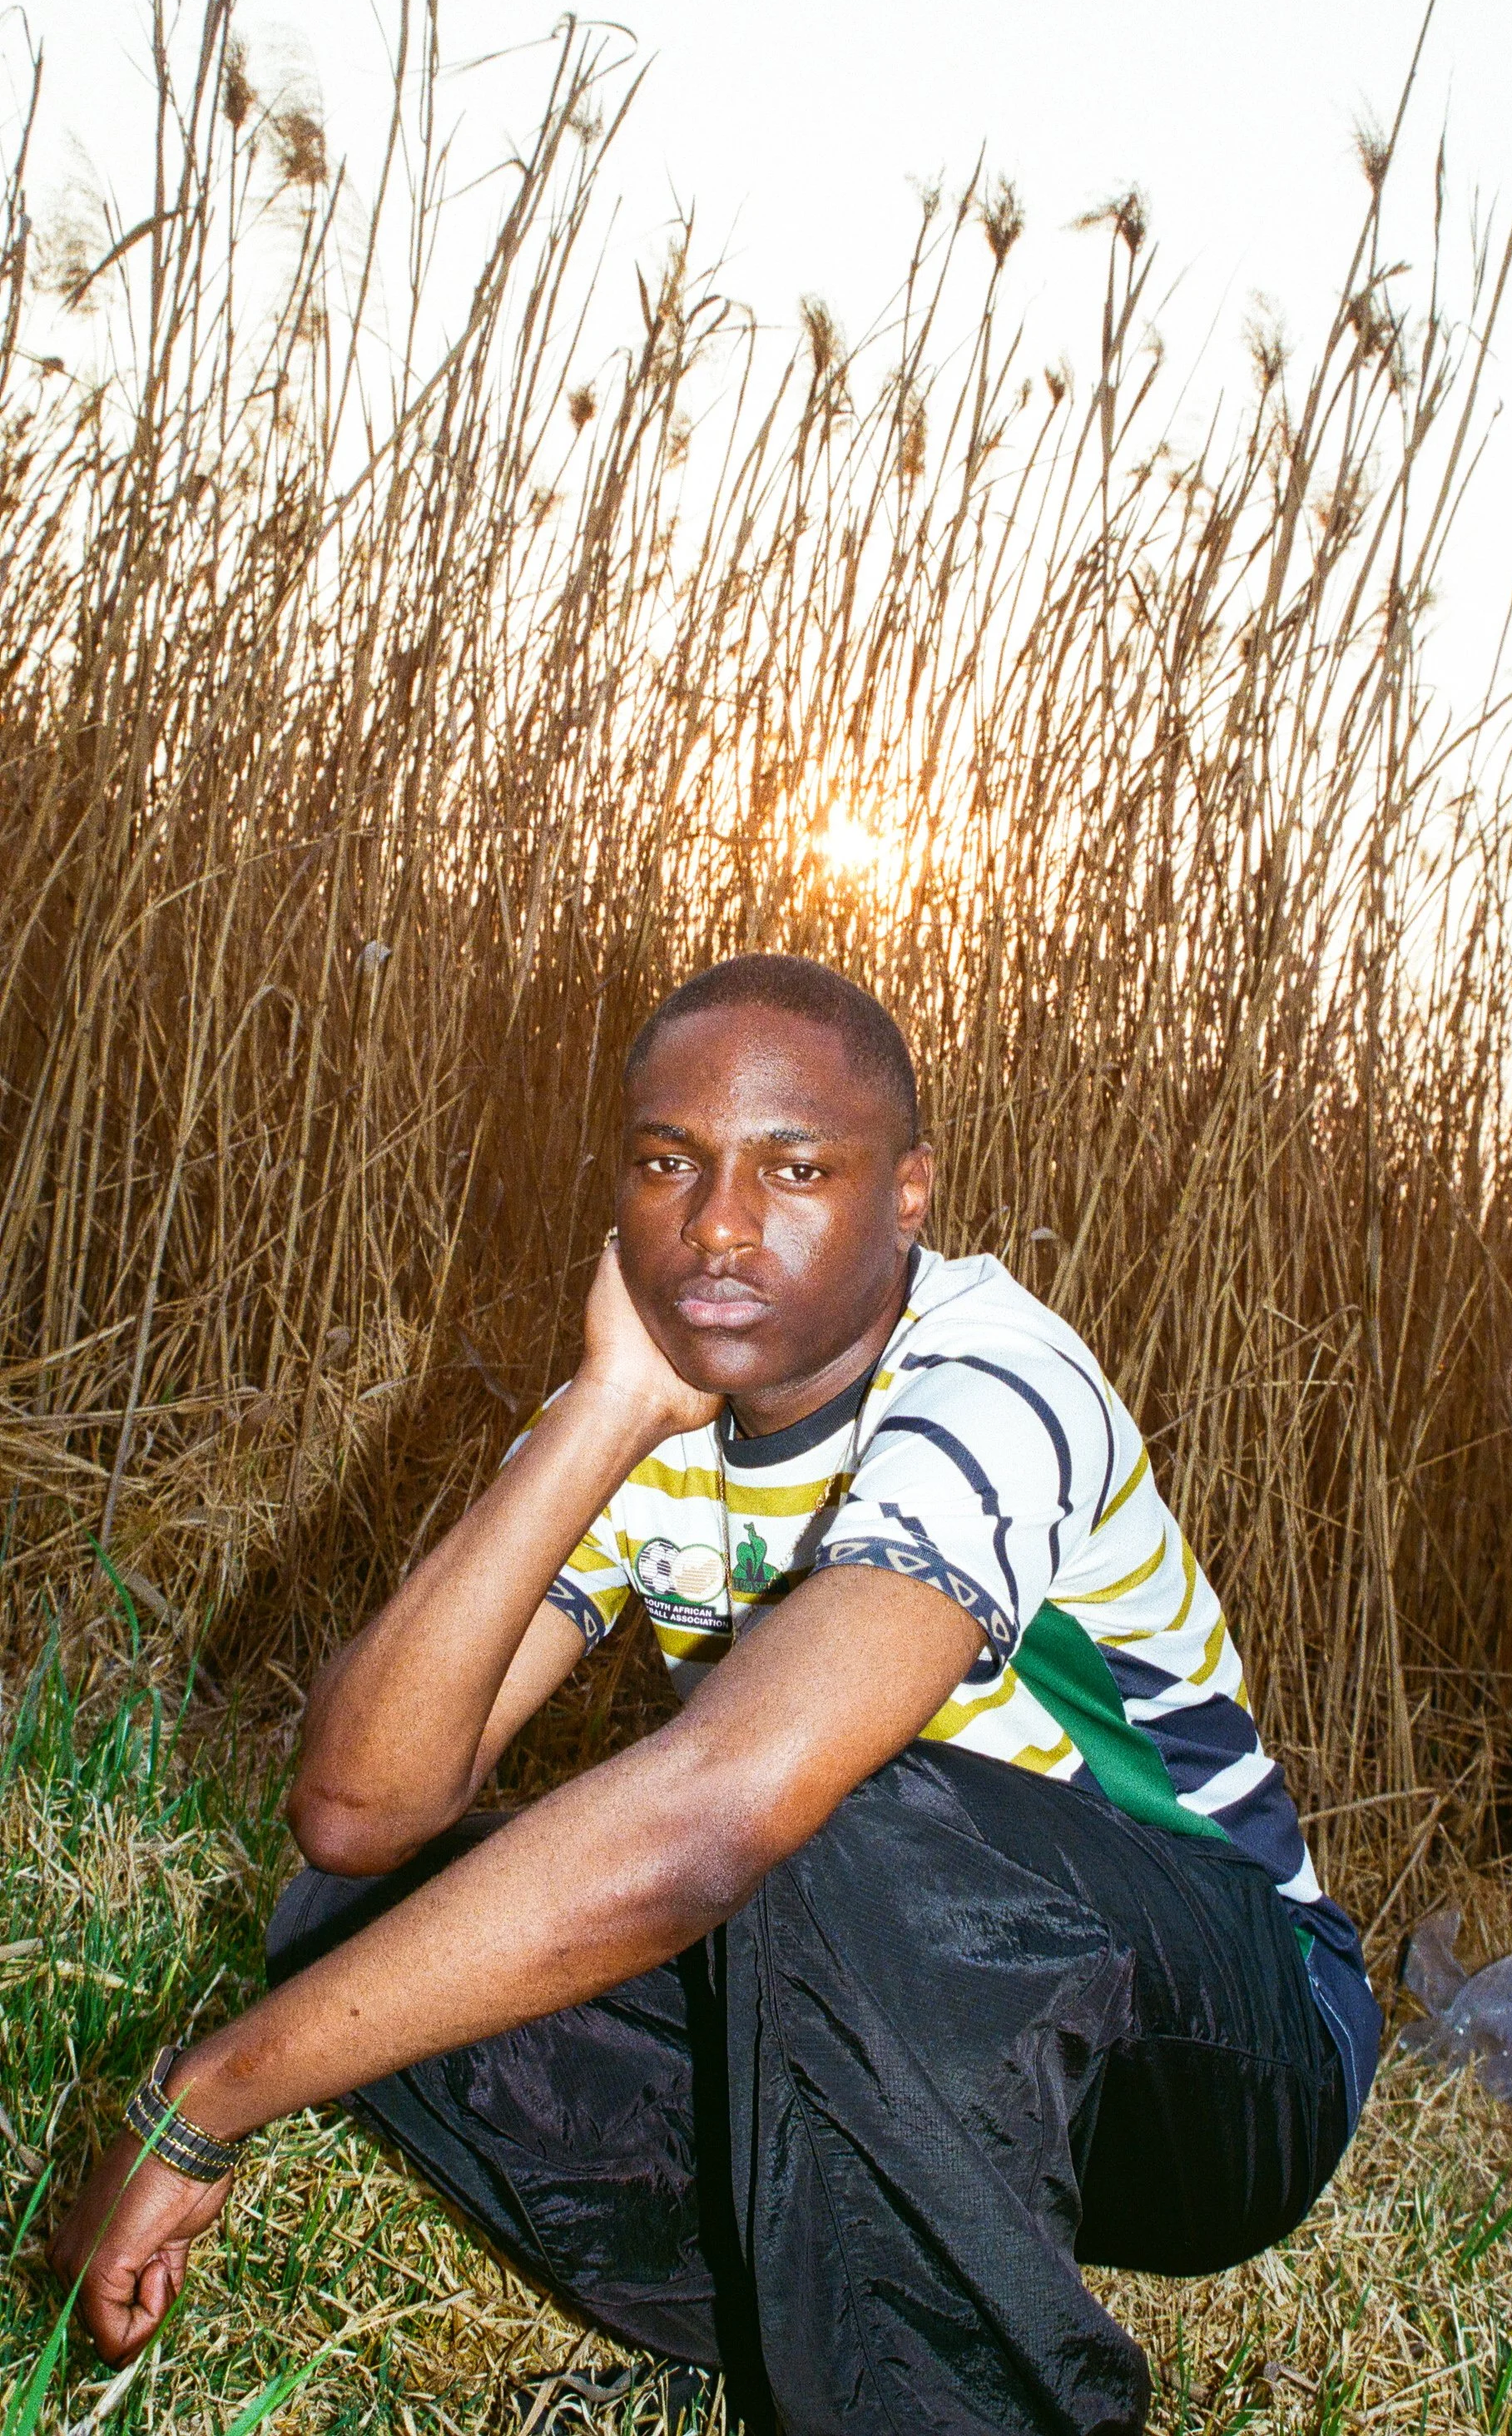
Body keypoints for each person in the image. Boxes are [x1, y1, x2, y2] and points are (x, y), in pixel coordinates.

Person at [52, 955, 1379, 2436]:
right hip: (914, 2030)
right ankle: (788, 2316)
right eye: (667, 1164)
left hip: (1227, 2040)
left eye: (795, 1168)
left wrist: (213, 2089)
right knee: (357, 1929)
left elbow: (729, 1807)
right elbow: (360, 1809)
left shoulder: (993, 1380)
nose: (720, 1225)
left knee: (822, 1814)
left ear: (910, 1194)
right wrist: (607, 1408)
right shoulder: (650, 1399)